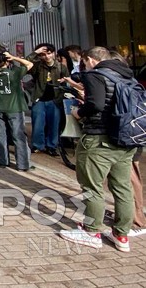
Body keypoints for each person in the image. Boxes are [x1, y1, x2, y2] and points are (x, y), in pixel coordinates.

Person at [59, 47, 137, 252]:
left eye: (84, 62)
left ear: (91, 60)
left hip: (99, 139)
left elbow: (96, 104)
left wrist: (78, 112)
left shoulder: (95, 74)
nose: (83, 66)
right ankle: (121, 235)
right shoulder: (127, 76)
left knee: (92, 187)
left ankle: (91, 231)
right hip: (126, 138)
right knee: (122, 188)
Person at [0, 50, 33, 171]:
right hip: (15, 108)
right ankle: (23, 164)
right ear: (7, 61)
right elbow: (29, 64)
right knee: (18, 135)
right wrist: (14, 57)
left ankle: (2, 160)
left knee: (0, 135)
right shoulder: (14, 72)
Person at [27, 43, 69, 156]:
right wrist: (36, 52)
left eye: (49, 54)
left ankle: (52, 146)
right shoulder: (37, 66)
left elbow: (66, 84)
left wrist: (59, 99)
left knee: (54, 124)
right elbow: (26, 64)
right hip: (39, 99)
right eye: (43, 55)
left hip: (54, 100)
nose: (47, 57)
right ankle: (37, 145)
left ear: (54, 53)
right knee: (38, 124)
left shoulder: (61, 67)